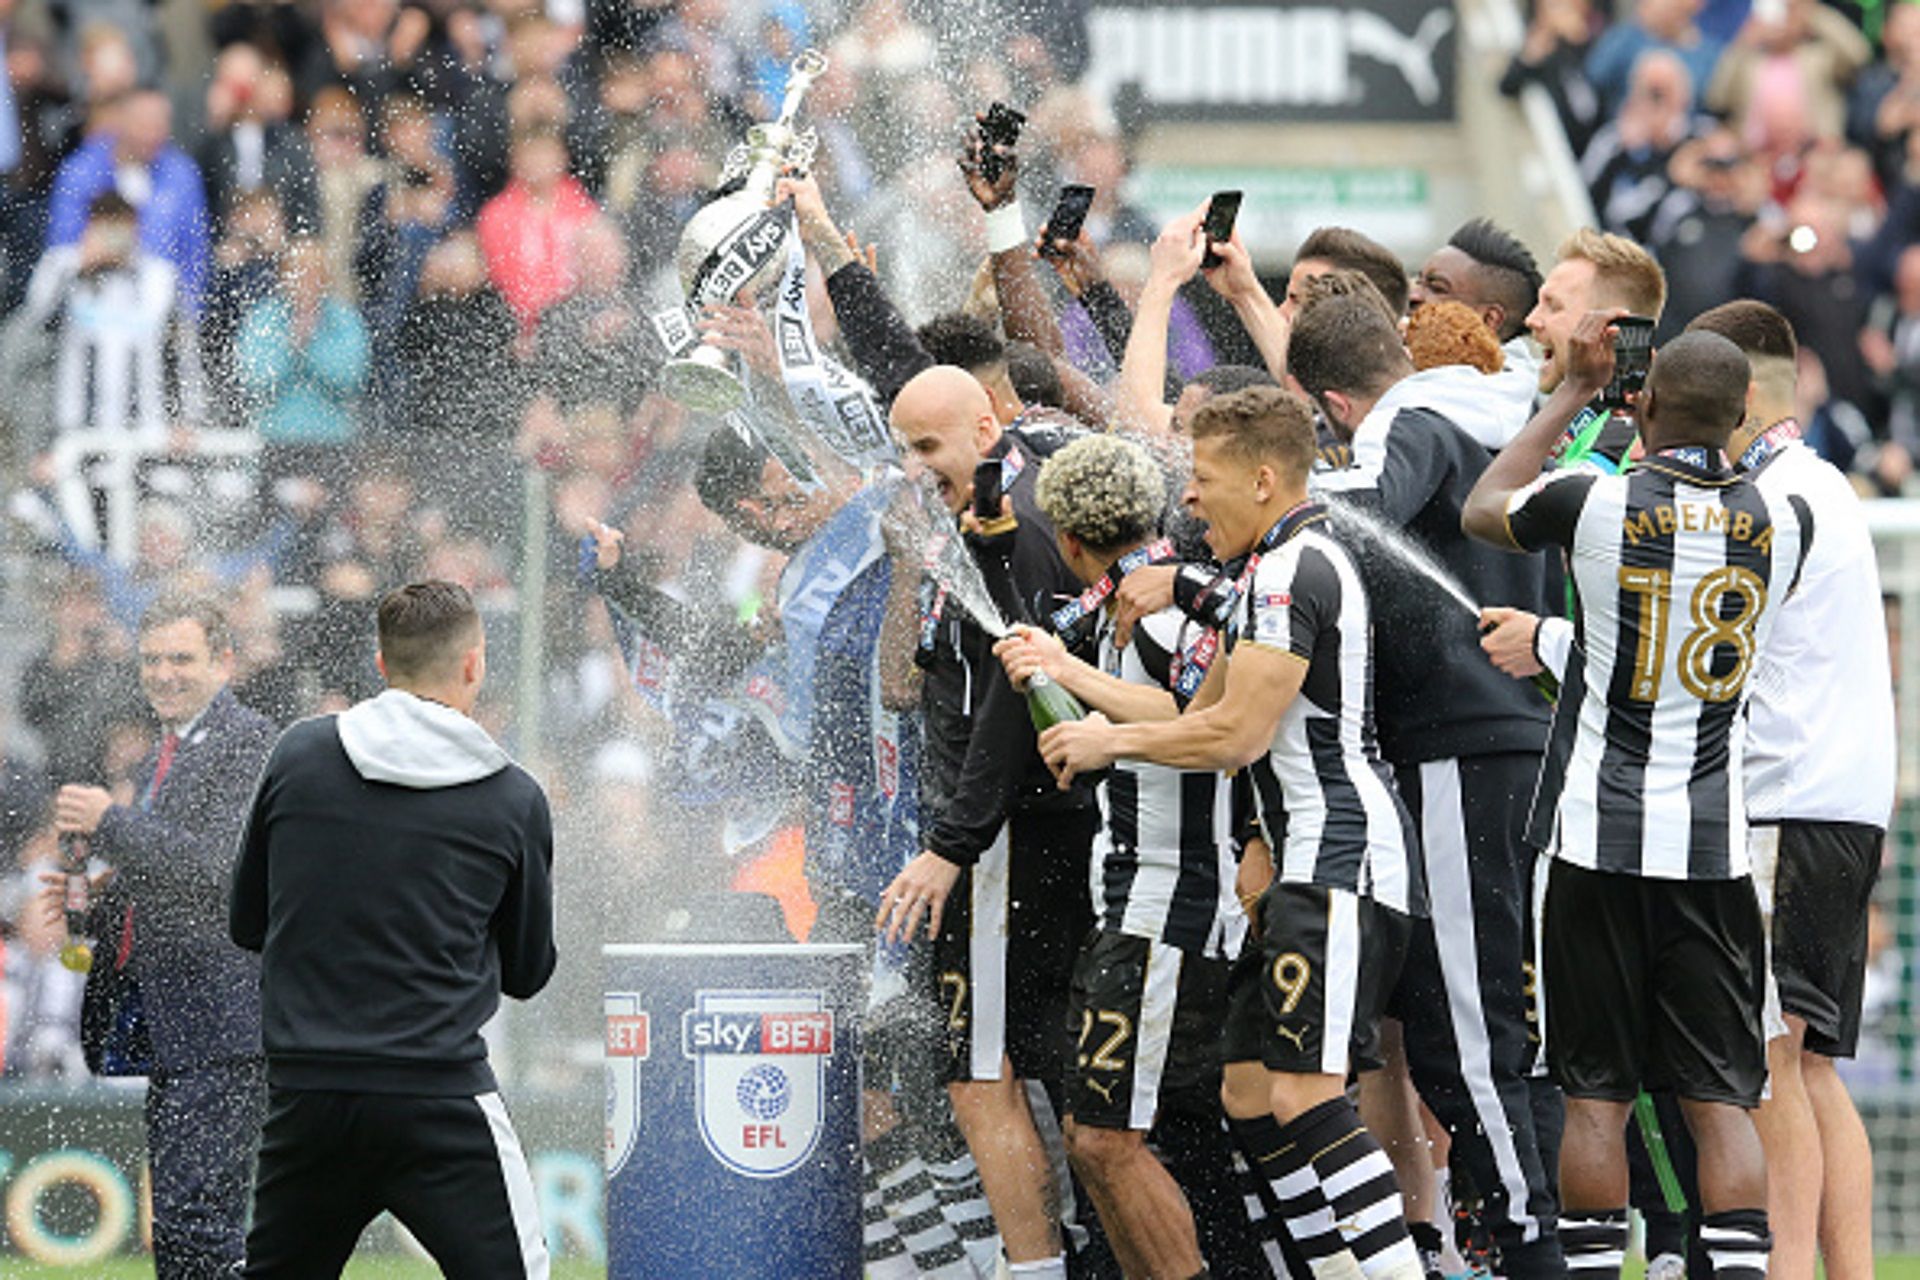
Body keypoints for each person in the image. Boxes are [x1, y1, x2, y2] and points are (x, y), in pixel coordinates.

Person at [1039, 386, 1424, 1280]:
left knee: (1301, 1091)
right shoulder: (1267, 570)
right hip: (1299, 864)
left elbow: (1234, 736)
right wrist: (1081, 686)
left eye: (1205, 479)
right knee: (1249, 1093)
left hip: (1336, 854)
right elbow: (1195, 710)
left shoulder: (1293, 571)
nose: (1192, 500)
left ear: (1261, 479)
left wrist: (1107, 740)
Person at [1462, 322, 1810, 1280]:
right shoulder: (1788, 524)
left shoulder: (1594, 501)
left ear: (1644, 404)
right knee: (1718, 1102)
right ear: (1744, 417)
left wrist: (1574, 395)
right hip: (1713, 854)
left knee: (1595, 1100)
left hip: (1592, 844)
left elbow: (1485, 507)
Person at [1290, 293, 1566, 1278]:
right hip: (1524, 745)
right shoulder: (1519, 415)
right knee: (1505, 1022)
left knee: (1469, 1025)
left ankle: (1525, 1246)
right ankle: (1528, 1232)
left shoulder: (1417, 413)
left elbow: (1346, 510)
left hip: (1460, 750)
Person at [230, 580, 555, 1278]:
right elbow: (529, 973)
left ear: (381, 664)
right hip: (438, 1094)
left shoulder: (300, 754)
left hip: (308, 1095)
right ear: (474, 664)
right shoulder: (513, 796)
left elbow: (247, 921)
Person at [993, 434, 1261, 1280]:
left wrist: (1070, 672)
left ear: (1069, 543)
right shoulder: (1120, 608)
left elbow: (1188, 710)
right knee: (1118, 1137)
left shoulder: (1163, 605)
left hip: (1172, 900)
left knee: (1105, 1139)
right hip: (1135, 899)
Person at [877, 365, 1096, 1279]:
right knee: (1027, 1075)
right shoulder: (965, 524)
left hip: (1010, 840)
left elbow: (1018, 705)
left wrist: (950, 846)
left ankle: (1040, 1267)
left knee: (982, 1075)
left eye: (928, 448)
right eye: (902, 451)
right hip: (1005, 832)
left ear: (984, 425)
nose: (916, 469)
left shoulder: (1017, 529)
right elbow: (920, 685)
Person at [48, 592, 278, 1278]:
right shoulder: (161, 755)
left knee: (196, 1224)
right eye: (152, 659)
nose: (164, 673)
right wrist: (94, 899)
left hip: (223, 1024)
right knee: (182, 1228)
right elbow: (169, 882)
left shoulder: (250, 741)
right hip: (180, 1026)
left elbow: (222, 869)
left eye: (182, 658)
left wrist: (112, 819)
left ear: (224, 662)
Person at [1526, 228, 1669, 472]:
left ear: (1611, 327)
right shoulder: (1567, 417)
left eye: (1554, 306)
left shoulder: (1631, 436)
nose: (1531, 320)